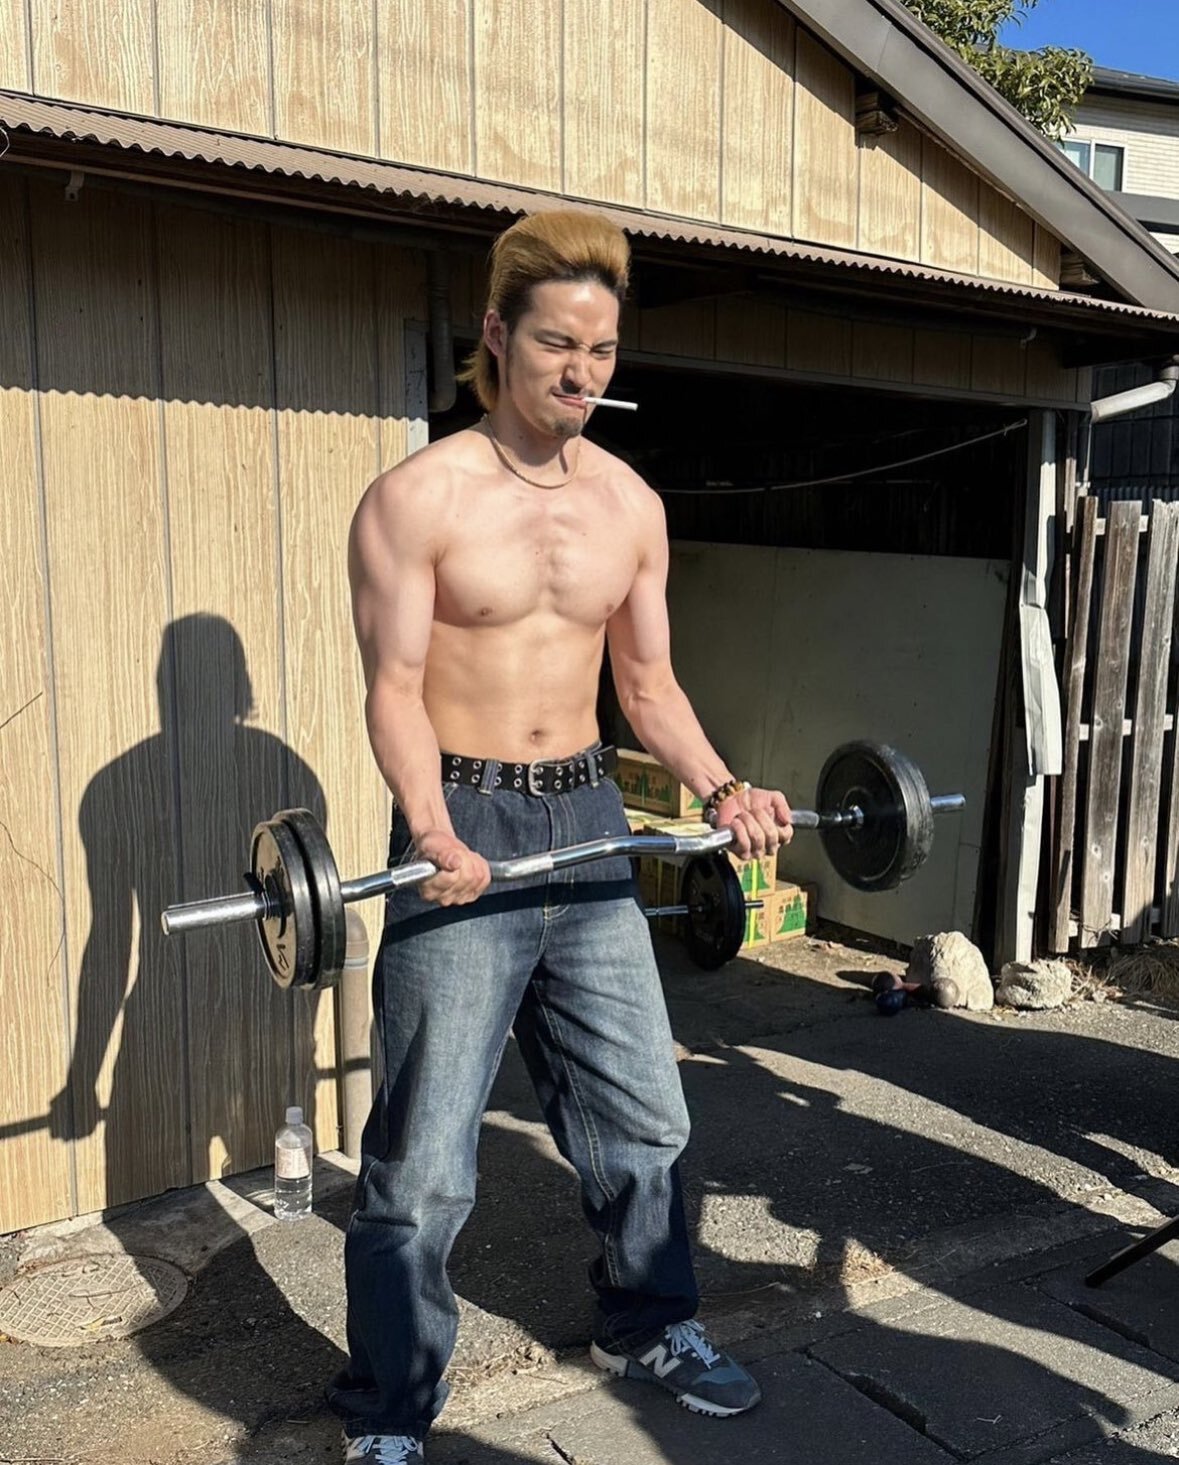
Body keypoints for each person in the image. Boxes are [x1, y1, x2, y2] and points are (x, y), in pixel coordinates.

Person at [329, 209, 793, 1464]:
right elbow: (394, 688)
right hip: (462, 820)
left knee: (644, 1112)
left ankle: (649, 1326)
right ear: (497, 334)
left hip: (587, 821)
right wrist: (429, 826)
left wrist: (720, 788)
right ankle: (391, 1408)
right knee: (425, 1157)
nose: (583, 372)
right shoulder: (417, 498)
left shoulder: (629, 504)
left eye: (602, 349)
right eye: (557, 345)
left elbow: (647, 685)